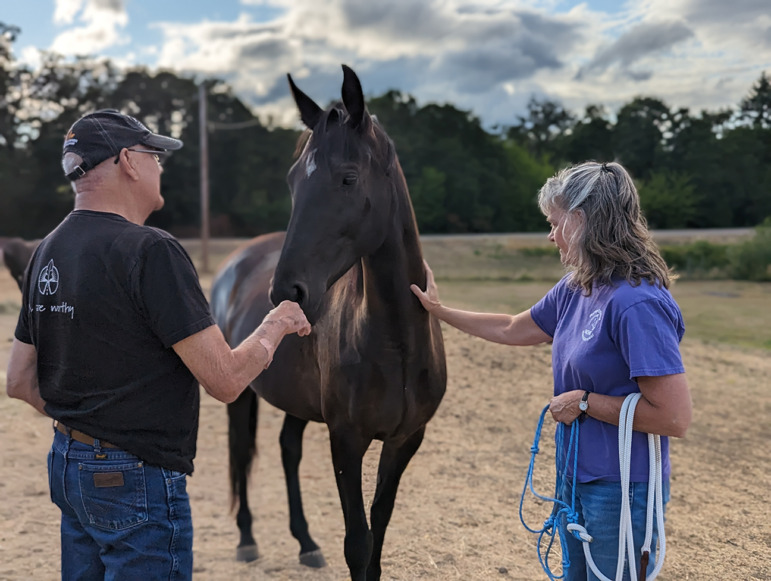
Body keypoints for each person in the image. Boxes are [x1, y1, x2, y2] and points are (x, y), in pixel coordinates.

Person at [5, 109, 311, 581]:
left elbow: (19, 381)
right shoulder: (151, 250)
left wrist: (90, 430)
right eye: (154, 155)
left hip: (68, 465)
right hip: (135, 479)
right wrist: (276, 323)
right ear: (128, 161)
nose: (160, 166)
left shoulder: (48, 249)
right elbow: (226, 382)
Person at [410, 161, 692, 581]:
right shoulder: (579, 286)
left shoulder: (637, 304)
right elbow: (511, 327)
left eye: (555, 223)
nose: (551, 235)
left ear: (580, 221)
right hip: (576, 477)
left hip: (621, 489)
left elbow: (673, 417)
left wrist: (585, 402)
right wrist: (438, 311)